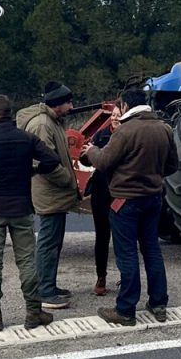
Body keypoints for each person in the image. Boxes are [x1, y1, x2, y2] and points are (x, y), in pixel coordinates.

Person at [84, 88, 179, 326]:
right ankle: (159, 303)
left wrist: (91, 151)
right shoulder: (165, 129)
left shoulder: (125, 131)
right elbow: (172, 165)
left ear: (125, 106)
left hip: (125, 200)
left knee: (127, 254)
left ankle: (126, 309)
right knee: (152, 251)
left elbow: (104, 163)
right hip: (153, 198)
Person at [0, 95, 63, 331]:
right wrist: (34, 170)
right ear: (10, 114)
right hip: (22, 208)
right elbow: (52, 160)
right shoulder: (27, 138)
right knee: (27, 263)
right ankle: (33, 312)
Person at [16, 81, 79, 310]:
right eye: (69, 102)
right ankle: (44, 290)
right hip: (50, 192)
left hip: (54, 193)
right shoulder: (43, 125)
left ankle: (49, 284)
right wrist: (67, 179)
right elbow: (44, 161)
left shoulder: (52, 121)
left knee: (53, 242)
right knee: (48, 243)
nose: (72, 106)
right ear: (58, 103)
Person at [80, 105, 120, 296]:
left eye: (118, 116)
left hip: (121, 190)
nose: (114, 118)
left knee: (123, 236)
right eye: (113, 115)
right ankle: (101, 277)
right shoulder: (101, 134)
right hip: (101, 189)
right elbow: (87, 161)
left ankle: (125, 275)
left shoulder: (128, 135)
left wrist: (95, 153)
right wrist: (86, 154)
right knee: (102, 235)